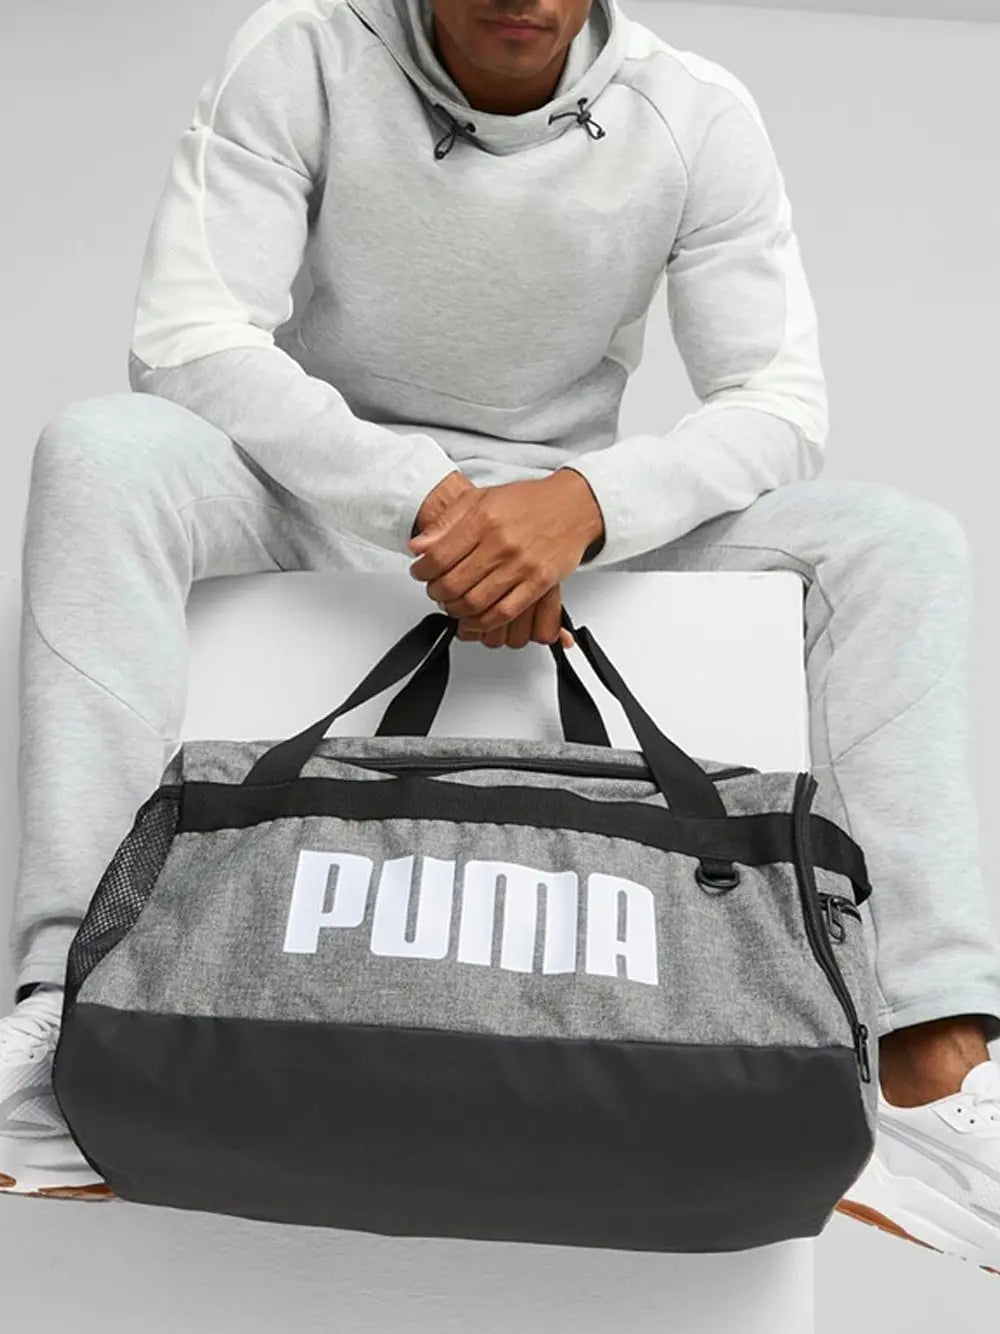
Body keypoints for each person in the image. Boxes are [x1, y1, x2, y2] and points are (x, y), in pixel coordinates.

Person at [1, 0, 998, 1275]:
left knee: (893, 541)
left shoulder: (693, 113)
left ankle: (925, 1065)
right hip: (324, 497)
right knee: (102, 448)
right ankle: (71, 1005)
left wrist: (584, 505)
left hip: (571, 526)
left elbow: (778, 402)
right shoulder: (303, 52)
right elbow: (190, 338)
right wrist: (429, 503)